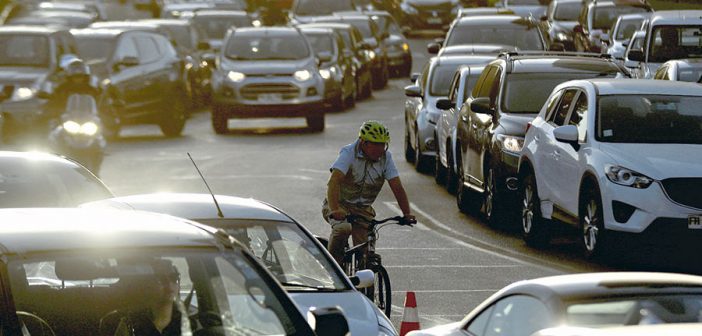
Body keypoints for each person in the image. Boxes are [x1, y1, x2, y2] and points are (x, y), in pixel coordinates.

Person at [322, 120, 415, 265]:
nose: (380, 149)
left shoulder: (386, 158)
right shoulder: (348, 153)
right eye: (376, 145)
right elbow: (334, 181)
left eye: (383, 145)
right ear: (364, 143)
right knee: (342, 229)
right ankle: (333, 270)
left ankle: (366, 280)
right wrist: (335, 209)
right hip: (339, 205)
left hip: (363, 210)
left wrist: (406, 213)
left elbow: (397, 187)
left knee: (365, 252)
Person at [113, 259, 187, 336]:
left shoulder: (190, 322)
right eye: (161, 279)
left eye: (174, 278)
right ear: (148, 285)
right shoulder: (130, 325)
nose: (169, 284)